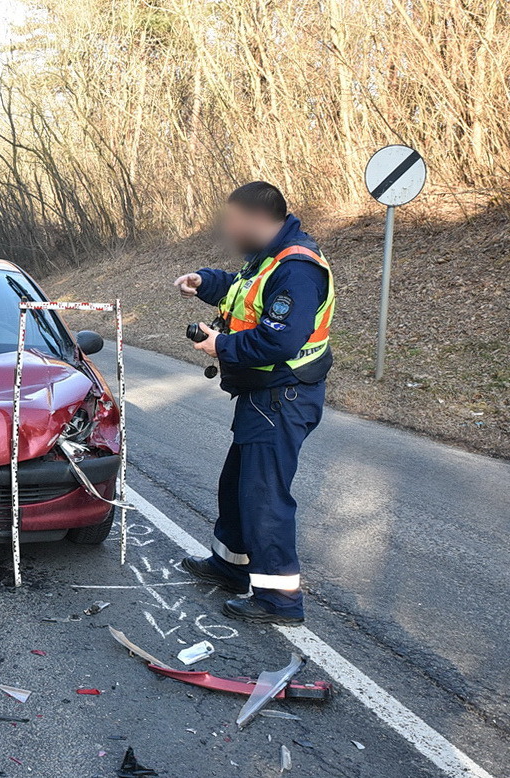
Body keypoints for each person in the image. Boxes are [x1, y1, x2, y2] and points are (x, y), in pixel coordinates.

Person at [173, 181, 335, 625]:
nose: (227, 230)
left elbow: (280, 340)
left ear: (256, 218)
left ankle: (279, 600)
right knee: (237, 487)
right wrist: (205, 282)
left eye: (232, 221)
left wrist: (221, 345)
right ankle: (230, 567)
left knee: (264, 497)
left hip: (282, 395)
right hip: (264, 396)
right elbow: (243, 291)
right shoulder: (267, 259)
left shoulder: (297, 269)